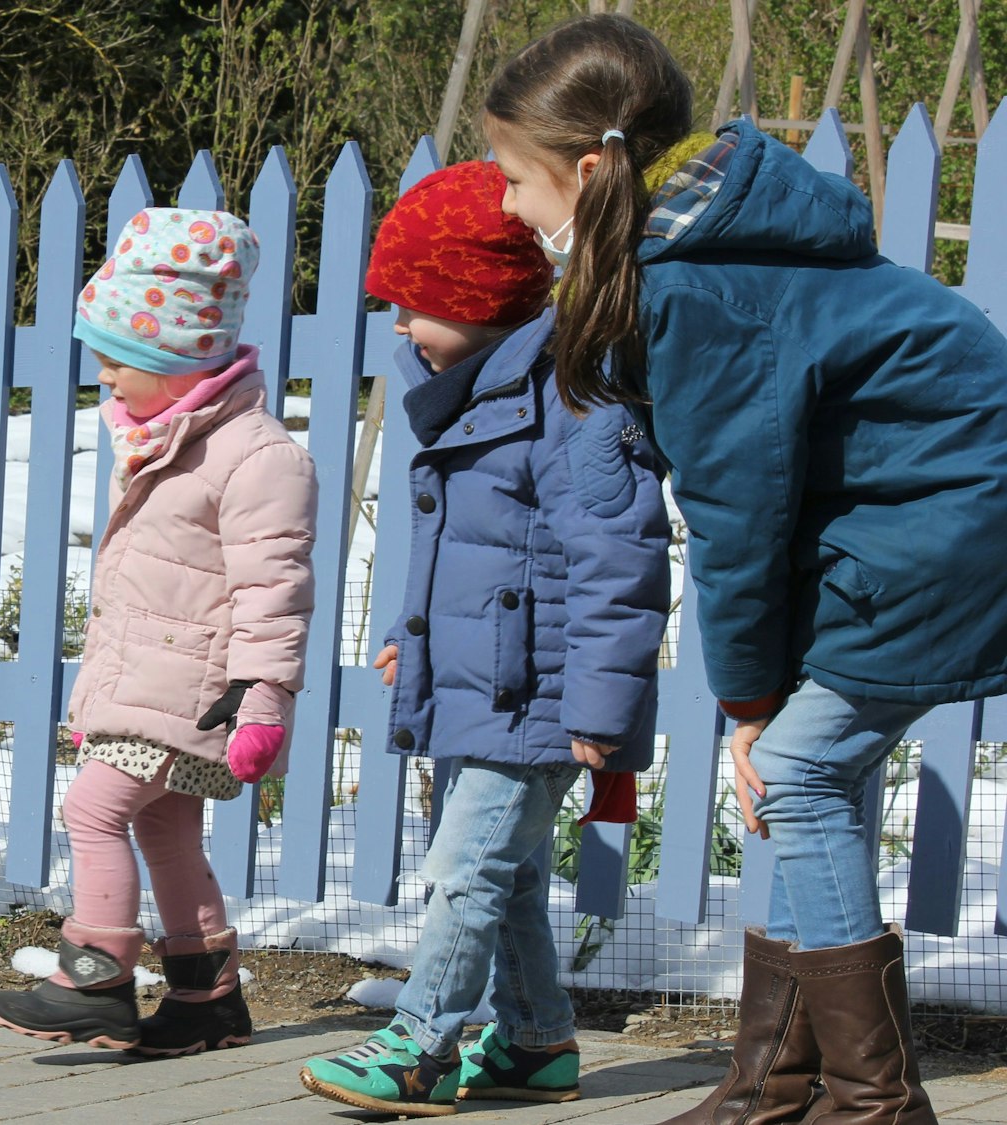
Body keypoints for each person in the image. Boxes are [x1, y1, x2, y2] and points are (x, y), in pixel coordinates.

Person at [480, 14, 1007, 1123]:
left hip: (946, 529)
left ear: (585, 169)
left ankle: (873, 1104)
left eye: (512, 179)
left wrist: (749, 703)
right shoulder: (704, 251)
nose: (503, 206)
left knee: (800, 773)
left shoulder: (696, 287)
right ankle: (771, 1084)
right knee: (824, 785)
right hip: (910, 523)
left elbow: (736, 513)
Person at [298, 160, 671, 1117]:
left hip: (538, 697)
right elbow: (476, 555)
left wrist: (601, 705)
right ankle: (537, 1040)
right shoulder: (477, 394)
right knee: (503, 878)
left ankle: (421, 1042)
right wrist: (412, 640)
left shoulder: (576, 403)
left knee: (465, 872)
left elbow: (618, 563)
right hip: (483, 683)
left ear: (480, 301)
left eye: (414, 302)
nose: (398, 325)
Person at [0, 206, 317, 1057]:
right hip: (158, 682)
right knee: (166, 827)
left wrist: (265, 700)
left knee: (92, 807)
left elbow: (273, 590)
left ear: (180, 360)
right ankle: (206, 995)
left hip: (199, 693)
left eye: (117, 360)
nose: (104, 378)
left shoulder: (256, 455)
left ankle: (95, 975)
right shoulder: (171, 440)